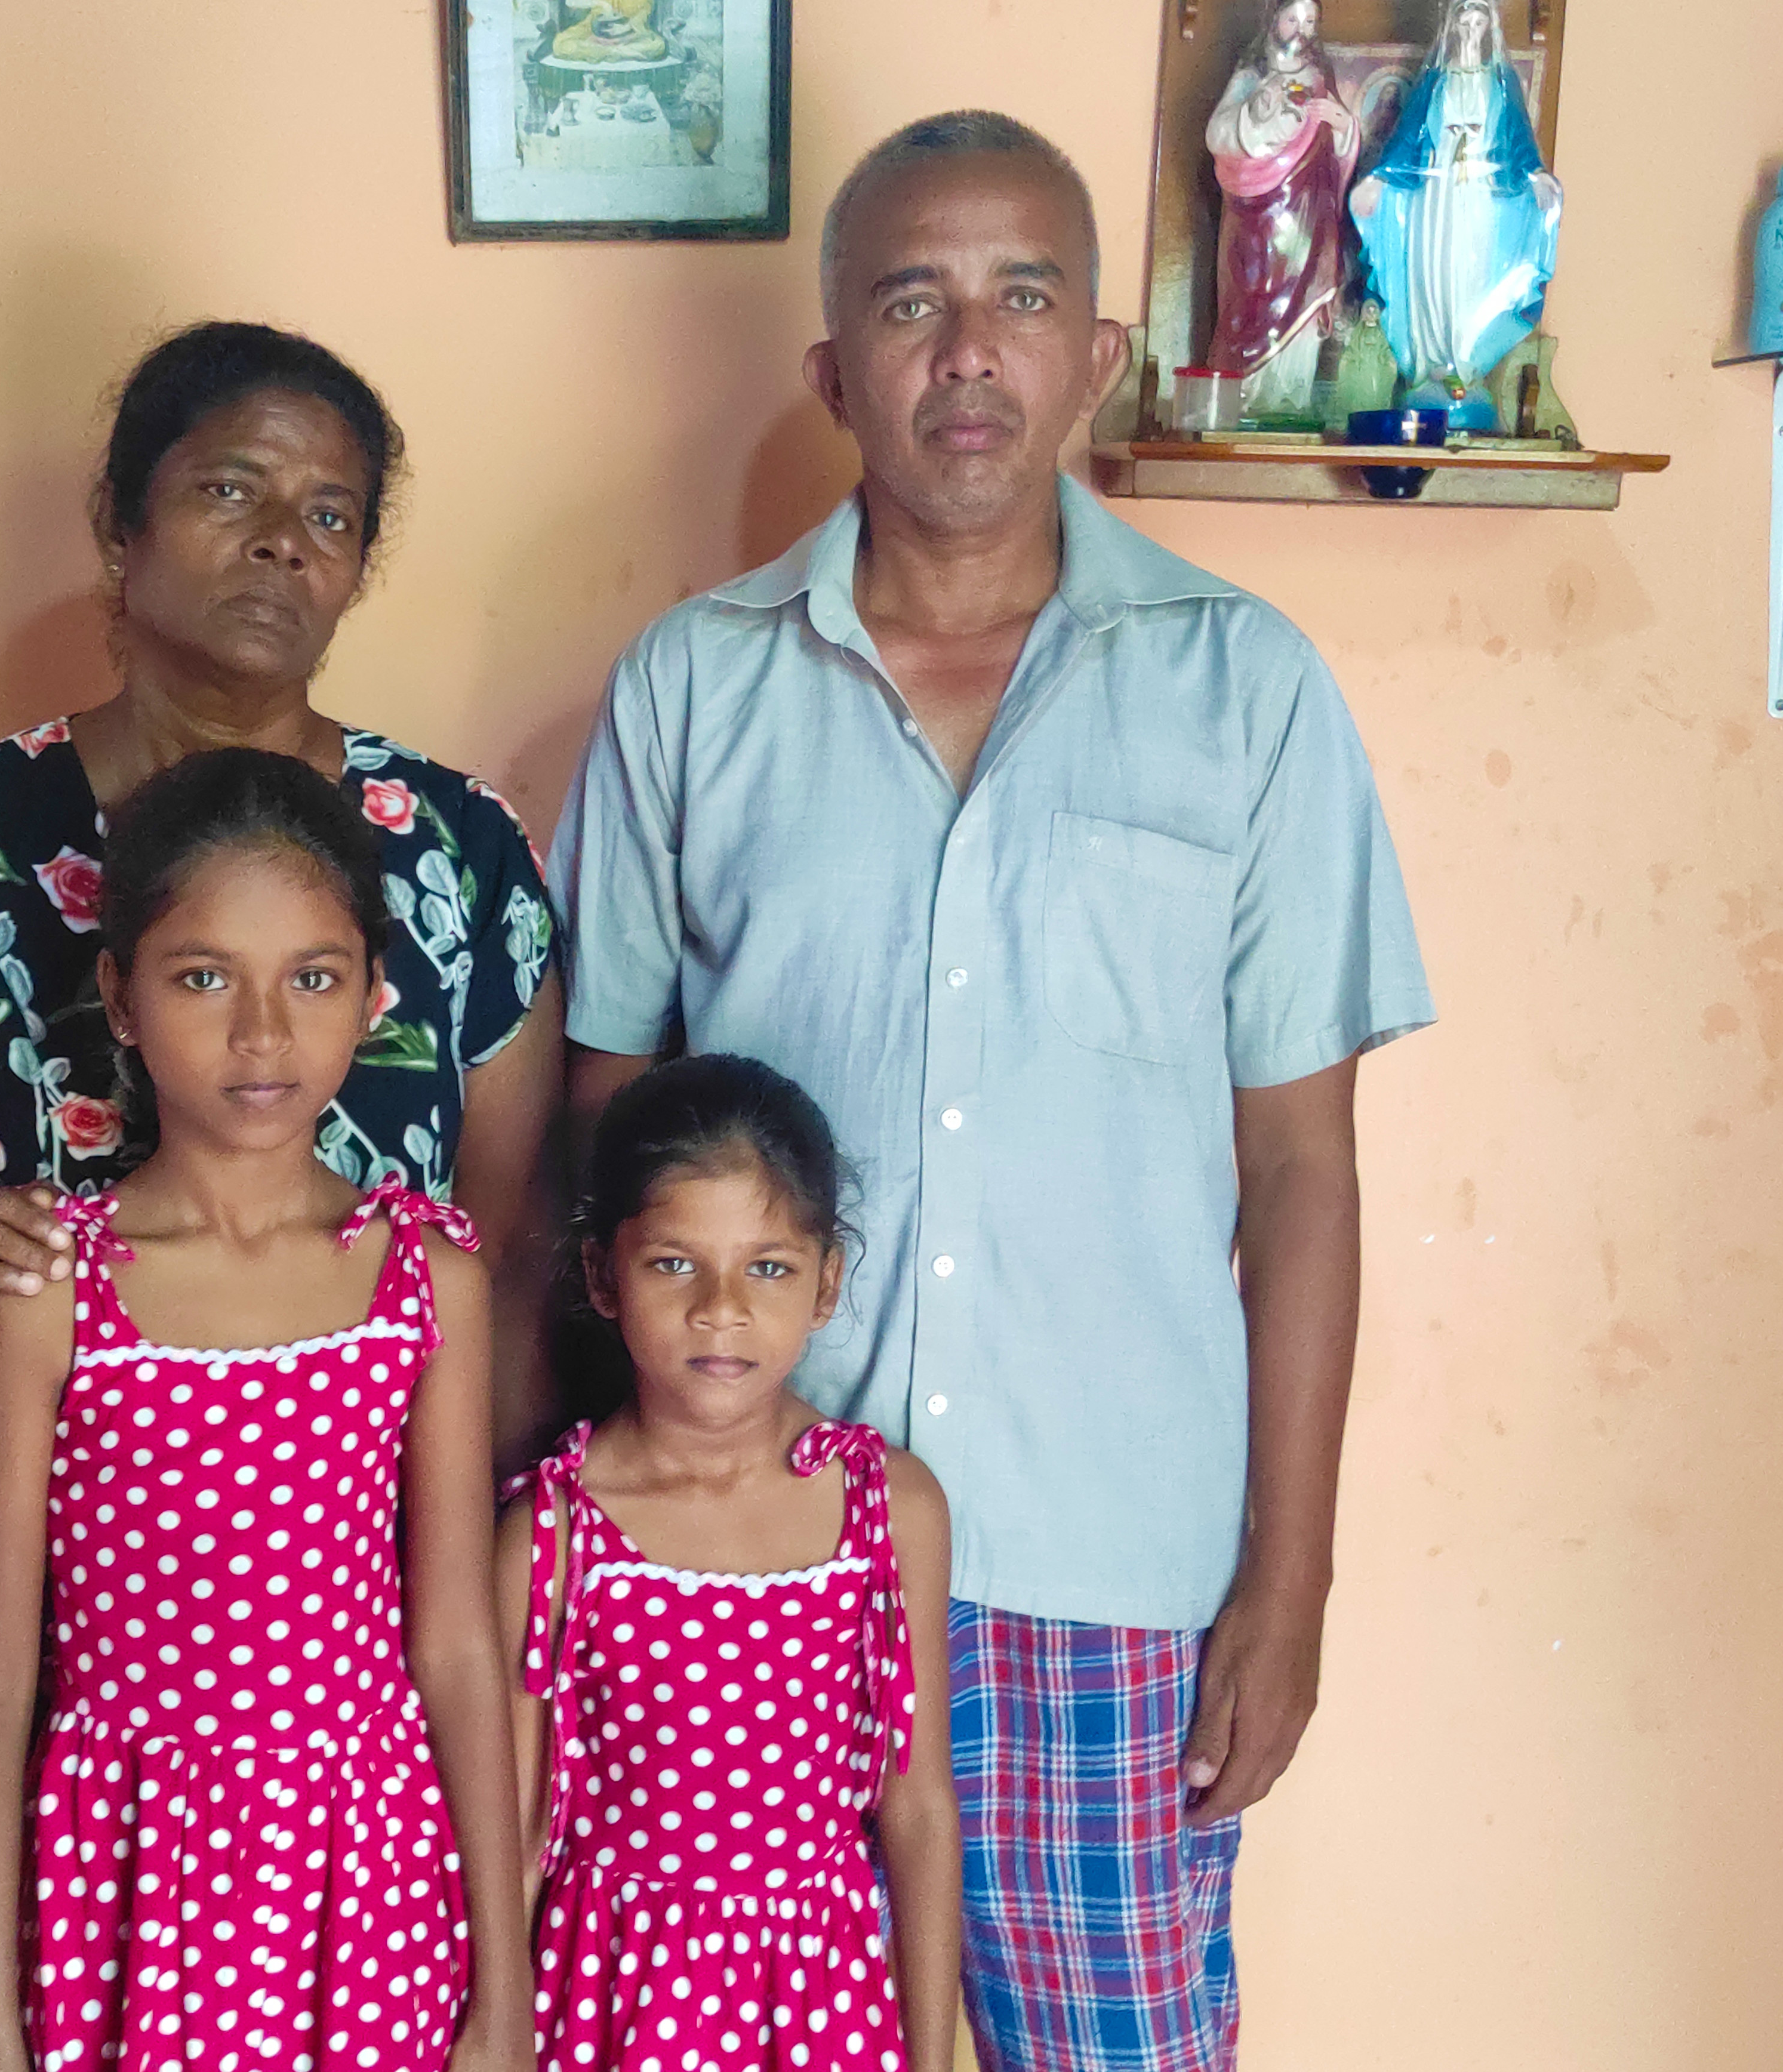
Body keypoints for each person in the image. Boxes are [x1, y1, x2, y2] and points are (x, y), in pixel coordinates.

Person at [550, 113, 1433, 2071]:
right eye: (911, 302)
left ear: (1098, 354)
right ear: (833, 370)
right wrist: (593, 1519)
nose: (969, 349)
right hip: (744, 1574)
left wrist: (1288, 1577)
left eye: (1023, 296)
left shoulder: (1246, 689)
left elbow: (1302, 1172)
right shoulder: (693, 687)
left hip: (1109, 1578)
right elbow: (601, 1133)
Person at [0, 321, 562, 2072]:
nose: (281, 543)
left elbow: (514, 1231)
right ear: (121, 519)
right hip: (72, 1572)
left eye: (330, 512)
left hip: (355, 1575)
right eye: (229, 489)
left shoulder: (457, 856)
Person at [0, 747, 531, 2072]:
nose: (262, 1034)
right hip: (126, 1888)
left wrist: (504, 1992)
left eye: (311, 978)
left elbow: (453, 1644)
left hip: (370, 1887)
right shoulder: (49, 1288)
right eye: (203, 977)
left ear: (373, 993)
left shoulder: (423, 1277)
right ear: (121, 996)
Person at [499, 1056, 959, 2072]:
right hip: (612, 2009)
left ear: (827, 1282)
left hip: (819, 2012)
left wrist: (931, 2059)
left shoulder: (889, 1508)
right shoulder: (557, 1530)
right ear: (601, 1276)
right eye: (674, 1264)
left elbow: (919, 1810)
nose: (721, 1308)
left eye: (769, 1267)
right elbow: (519, 1835)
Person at [1348, 0, 1563, 415]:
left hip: (1480, 198)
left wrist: (1536, 174)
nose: (1470, 30)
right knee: (1436, 270)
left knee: (1471, 275)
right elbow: (1408, 138)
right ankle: (1432, 362)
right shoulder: (1436, 82)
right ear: (1452, 25)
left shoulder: (1500, 81)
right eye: (1464, 21)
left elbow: (1518, 137)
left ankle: (1465, 366)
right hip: (1436, 198)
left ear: (1488, 28)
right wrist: (1380, 179)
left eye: (1479, 22)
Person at [1205, 0, 1360, 421]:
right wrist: (1256, 111)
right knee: (1251, 298)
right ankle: (1249, 394)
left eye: (1310, 21)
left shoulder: (1319, 78)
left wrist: (1343, 125)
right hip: (1256, 215)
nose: (1301, 29)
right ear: (1274, 19)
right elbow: (1217, 135)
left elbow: (1338, 153)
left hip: (1309, 213)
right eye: (1293, 18)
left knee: (1305, 296)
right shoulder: (1252, 75)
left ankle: (1289, 396)